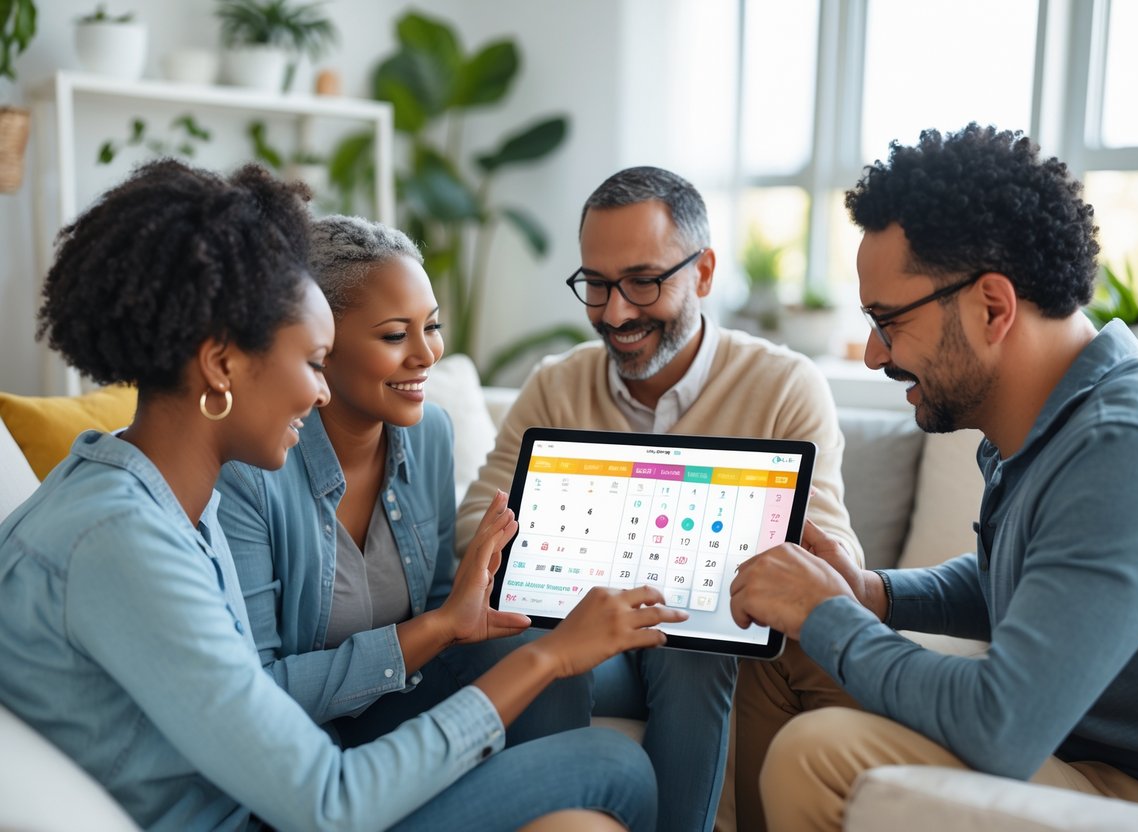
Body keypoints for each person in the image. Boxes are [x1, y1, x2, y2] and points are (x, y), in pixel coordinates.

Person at [0, 159, 688, 832]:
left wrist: (470, 627)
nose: (322, 391)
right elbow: (329, 802)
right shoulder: (119, 541)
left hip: (268, 792)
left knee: (583, 789)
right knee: (611, 767)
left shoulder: (159, 497)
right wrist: (550, 655)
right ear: (220, 364)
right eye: (309, 362)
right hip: (274, 809)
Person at [729, 123, 1138, 831]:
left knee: (819, 753)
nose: (870, 354)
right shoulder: (1051, 424)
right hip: (1076, 749)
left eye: (886, 320)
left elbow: (1001, 723)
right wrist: (871, 596)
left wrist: (827, 614)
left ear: (992, 306)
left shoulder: (1129, 452)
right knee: (774, 645)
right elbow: (1028, 586)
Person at [456, 165, 863, 832]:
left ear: (702, 274)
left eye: (642, 282)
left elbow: (831, 553)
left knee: (693, 650)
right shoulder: (555, 384)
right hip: (596, 644)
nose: (615, 312)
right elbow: (475, 521)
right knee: (550, 642)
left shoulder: (785, 385)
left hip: (704, 648)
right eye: (595, 284)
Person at [217, 214, 585, 749]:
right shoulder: (250, 472)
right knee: (612, 762)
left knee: (542, 661)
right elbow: (260, 689)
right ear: (319, 345)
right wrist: (439, 628)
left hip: (400, 701)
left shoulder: (431, 432)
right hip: (302, 744)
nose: (427, 354)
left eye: (431, 326)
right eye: (395, 334)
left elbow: (440, 602)